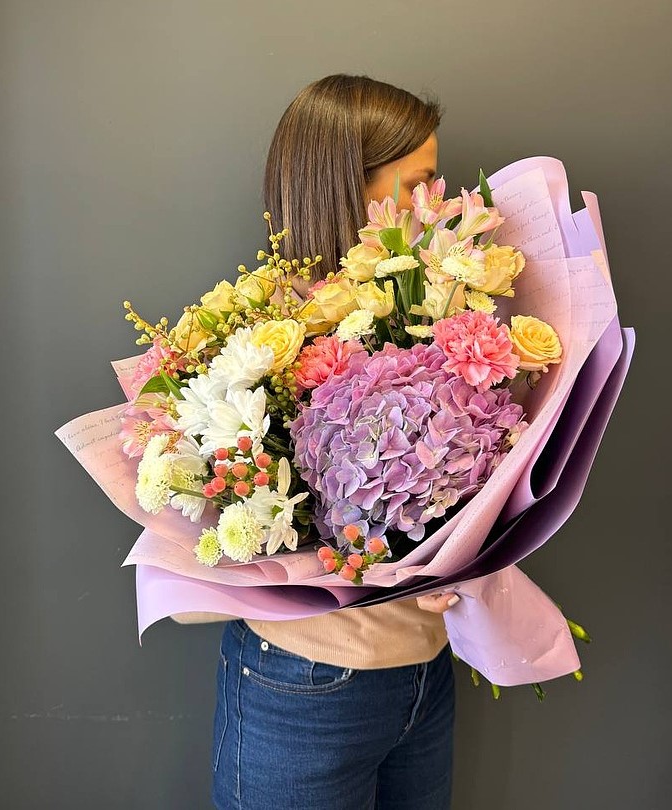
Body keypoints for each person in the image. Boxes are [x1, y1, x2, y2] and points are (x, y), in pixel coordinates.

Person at [193, 74, 462, 810]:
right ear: (349, 188)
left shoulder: (438, 313)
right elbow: (224, 530)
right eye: (418, 184)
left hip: (425, 671)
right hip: (304, 685)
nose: (436, 206)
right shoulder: (257, 343)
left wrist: (455, 559)